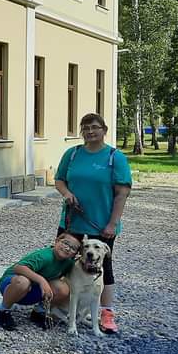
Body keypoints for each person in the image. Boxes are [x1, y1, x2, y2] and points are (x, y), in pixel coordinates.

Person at [54, 112, 132, 334]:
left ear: (104, 130)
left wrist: (112, 224)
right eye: (85, 128)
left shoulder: (114, 157)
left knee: (103, 268)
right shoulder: (72, 154)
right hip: (71, 222)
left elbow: (121, 193)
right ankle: (55, 305)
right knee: (62, 264)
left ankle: (106, 313)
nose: (90, 132)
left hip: (101, 225)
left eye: (95, 127)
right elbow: (59, 180)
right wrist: (67, 193)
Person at [0, 233, 80, 331]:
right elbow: (18, 268)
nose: (68, 248)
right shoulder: (44, 256)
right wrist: (41, 280)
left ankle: (39, 312)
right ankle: (4, 310)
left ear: (75, 254)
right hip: (12, 286)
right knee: (23, 282)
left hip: (33, 290)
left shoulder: (68, 263)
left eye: (73, 248)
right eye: (66, 243)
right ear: (56, 241)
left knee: (63, 288)